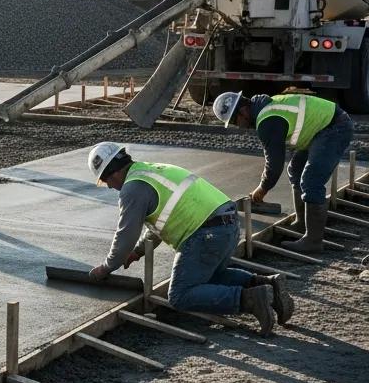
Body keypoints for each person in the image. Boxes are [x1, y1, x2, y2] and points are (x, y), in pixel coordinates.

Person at [86, 142, 292, 334]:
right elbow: (160, 221)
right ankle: (268, 285)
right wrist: (138, 251)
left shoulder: (133, 188)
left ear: (112, 172)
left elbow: (125, 235)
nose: (110, 187)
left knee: (180, 295)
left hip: (205, 234)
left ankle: (250, 299)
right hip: (228, 224)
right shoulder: (151, 170)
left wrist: (106, 268)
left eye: (105, 181)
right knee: (207, 278)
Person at [213, 90, 353, 254]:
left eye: (236, 121)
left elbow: (274, 163)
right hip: (322, 128)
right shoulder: (265, 106)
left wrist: (262, 188)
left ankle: (313, 241)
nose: (240, 126)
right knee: (296, 169)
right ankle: (302, 223)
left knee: (311, 181)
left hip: (334, 128)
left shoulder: (267, 121)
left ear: (243, 111)